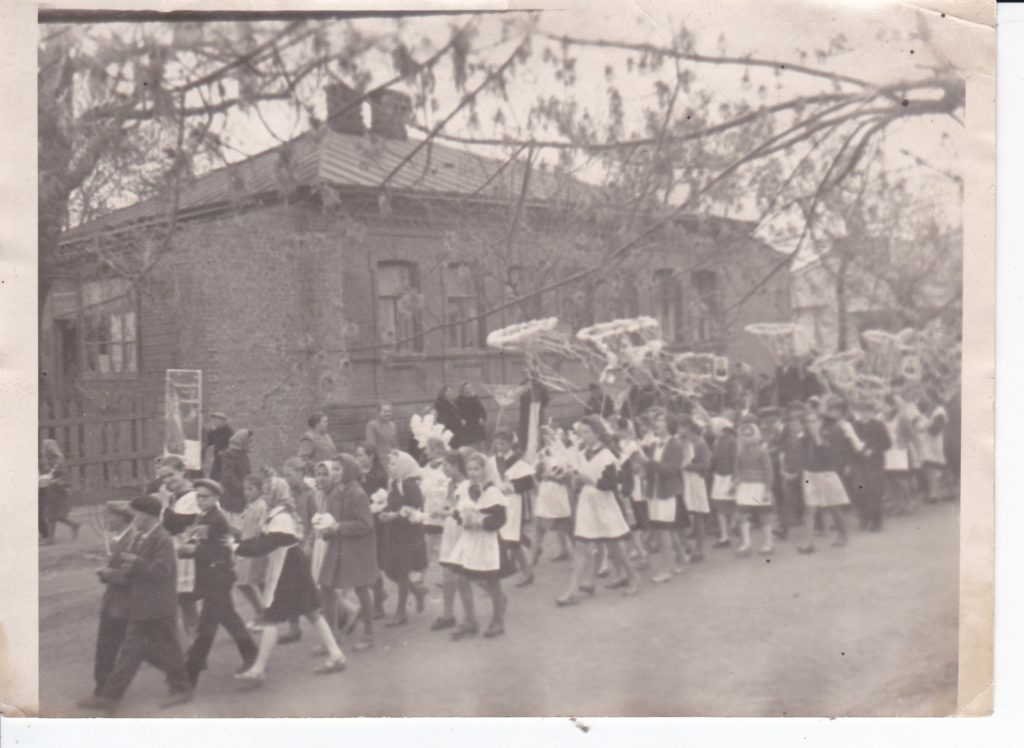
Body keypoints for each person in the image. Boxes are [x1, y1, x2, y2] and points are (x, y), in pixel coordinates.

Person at [77, 495, 193, 712]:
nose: (133, 518)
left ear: (146, 516)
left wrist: (136, 562)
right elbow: (136, 572)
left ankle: (182, 688)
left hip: (158, 606)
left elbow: (161, 571)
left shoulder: (162, 539)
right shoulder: (143, 536)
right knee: (134, 650)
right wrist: (114, 574)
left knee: (165, 649)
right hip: (144, 605)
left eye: (136, 514)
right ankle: (110, 697)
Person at [234, 478, 347, 688]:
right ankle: (336, 654)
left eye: (268, 492)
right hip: (290, 566)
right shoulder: (276, 513)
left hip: (287, 568)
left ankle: (258, 669)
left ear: (276, 494)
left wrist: (235, 547)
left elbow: (264, 546)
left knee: (271, 618)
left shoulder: (282, 517)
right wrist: (238, 542)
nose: (264, 495)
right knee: (311, 612)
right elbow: (260, 542)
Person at [180, 479, 258, 688]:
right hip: (209, 577)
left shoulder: (218, 519)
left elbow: (223, 550)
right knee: (229, 618)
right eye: (198, 496)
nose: (200, 500)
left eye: (205, 497)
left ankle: (190, 675)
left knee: (206, 627)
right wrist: (188, 549)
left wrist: (194, 551)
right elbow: (201, 543)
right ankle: (253, 656)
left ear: (216, 498)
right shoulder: (202, 516)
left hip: (219, 577)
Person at [556, 417, 638, 606]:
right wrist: (574, 477)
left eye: (586, 432)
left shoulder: (607, 454)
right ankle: (573, 590)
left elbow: (610, 484)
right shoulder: (585, 453)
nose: (583, 436)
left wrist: (588, 480)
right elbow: (582, 475)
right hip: (587, 502)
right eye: (581, 432)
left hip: (603, 503)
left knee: (614, 547)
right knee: (581, 546)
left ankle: (633, 577)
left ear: (597, 433)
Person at [314, 457, 379, 652]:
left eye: (338, 469)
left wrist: (338, 527)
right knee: (326, 586)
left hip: (357, 548)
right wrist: (325, 528)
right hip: (337, 546)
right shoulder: (334, 493)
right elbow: (333, 519)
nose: (333, 473)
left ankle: (368, 634)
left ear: (349, 471)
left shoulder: (358, 494)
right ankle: (332, 635)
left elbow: (366, 524)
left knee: (361, 588)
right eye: (332, 469)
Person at [448, 451, 513, 640]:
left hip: (487, 541)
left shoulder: (492, 492)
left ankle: (498, 620)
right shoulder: (467, 488)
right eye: (469, 469)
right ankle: (470, 619)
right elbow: (458, 513)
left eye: (476, 469)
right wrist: (462, 517)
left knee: (491, 580)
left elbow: (500, 520)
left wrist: (480, 520)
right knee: (461, 577)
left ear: (485, 470)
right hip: (469, 539)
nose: (473, 472)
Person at [91, 500, 137, 696]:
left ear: (123, 518)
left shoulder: (131, 541)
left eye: (110, 516)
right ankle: (103, 686)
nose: (106, 520)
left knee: (114, 644)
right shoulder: (118, 539)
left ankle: (106, 689)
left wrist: (109, 574)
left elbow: (131, 575)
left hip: (124, 603)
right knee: (109, 645)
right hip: (114, 601)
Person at [378, 450, 429, 626]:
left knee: (401, 570)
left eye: (394, 464)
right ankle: (416, 590)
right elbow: (392, 504)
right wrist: (384, 513)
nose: (390, 467)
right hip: (396, 533)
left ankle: (401, 611)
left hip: (408, 534)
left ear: (404, 466)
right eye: (389, 464)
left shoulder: (409, 485)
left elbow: (416, 509)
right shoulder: (395, 483)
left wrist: (396, 517)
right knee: (390, 569)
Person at [638, 408, 686, 583]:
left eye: (659, 421)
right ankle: (680, 556)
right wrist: (643, 470)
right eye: (655, 421)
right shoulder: (654, 444)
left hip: (667, 492)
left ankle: (667, 569)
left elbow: (670, 470)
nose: (655, 424)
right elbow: (651, 468)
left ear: (669, 425)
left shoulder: (676, 445)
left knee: (663, 530)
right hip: (654, 491)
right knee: (664, 529)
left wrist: (648, 462)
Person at [157, 456, 201, 635]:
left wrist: (164, 503)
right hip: (177, 551)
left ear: (183, 472)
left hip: (189, 554)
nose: (167, 481)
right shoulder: (174, 496)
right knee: (183, 600)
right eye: (164, 477)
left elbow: (171, 525)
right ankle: (193, 639)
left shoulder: (192, 496)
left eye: (171, 475)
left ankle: (194, 640)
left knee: (186, 598)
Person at [797, 408, 850, 553]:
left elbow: (829, 454)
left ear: (820, 422)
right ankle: (809, 543)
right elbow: (803, 456)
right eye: (808, 422)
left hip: (826, 474)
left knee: (834, 506)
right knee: (810, 508)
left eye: (814, 421)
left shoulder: (830, 435)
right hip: (810, 475)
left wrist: (817, 438)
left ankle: (843, 534)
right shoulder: (804, 438)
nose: (811, 424)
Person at [490, 427, 536, 588]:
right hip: (499, 501)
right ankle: (508, 569)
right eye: (497, 443)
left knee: (513, 540)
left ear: (510, 443)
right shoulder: (494, 460)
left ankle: (527, 573)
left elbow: (528, 483)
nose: (499, 446)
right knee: (504, 538)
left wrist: (512, 487)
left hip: (514, 503)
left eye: (503, 443)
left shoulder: (518, 462)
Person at [430, 450, 469, 632]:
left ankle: (497, 596)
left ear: (456, 466)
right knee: (447, 574)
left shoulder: (467, 486)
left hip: (462, 531)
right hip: (450, 530)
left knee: (468, 574)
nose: (443, 469)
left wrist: (446, 511)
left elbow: (461, 511)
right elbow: (450, 504)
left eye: (446, 465)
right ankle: (448, 614)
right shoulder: (451, 485)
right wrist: (442, 509)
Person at [355, 442, 390, 620]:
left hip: (376, 522)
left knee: (374, 563)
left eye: (361, 455)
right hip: (363, 521)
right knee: (368, 563)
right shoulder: (359, 475)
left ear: (371, 456)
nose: (358, 458)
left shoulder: (378, 475)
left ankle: (378, 604)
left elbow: (378, 499)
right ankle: (379, 595)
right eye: (357, 455)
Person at [531, 426, 574, 568]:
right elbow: (535, 473)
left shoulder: (563, 452)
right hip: (545, 492)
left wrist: (554, 476)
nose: (546, 438)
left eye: (548, 434)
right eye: (543, 435)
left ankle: (579, 555)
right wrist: (539, 475)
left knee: (567, 525)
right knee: (539, 523)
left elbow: (569, 471)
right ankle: (533, 557)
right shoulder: (541, 454)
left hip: (559, 491)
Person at [847, 399, 892, 532]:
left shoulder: (878, 425)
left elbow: (887, 443)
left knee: (874, 492)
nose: (863, 414)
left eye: (866, 411)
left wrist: (873, 450)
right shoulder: (854, 426)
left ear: (871, 412)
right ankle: (864, 518)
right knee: (859, 490)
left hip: (874, 463)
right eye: (861, 411)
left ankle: (876, 521)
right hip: (858, 463)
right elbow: (849, 444)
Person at [733, 415, 775, 556]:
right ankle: (746, 543)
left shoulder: (763, 451)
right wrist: (737, 480)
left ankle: (768, 543)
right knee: (742, 514)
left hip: (759, 486)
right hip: (745, 486)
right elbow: (737, 467)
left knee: (763, 514)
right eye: (744, 436)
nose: (747, 440)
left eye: (749, 436)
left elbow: (768, 470)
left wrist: (767, 490)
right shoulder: (740, 452)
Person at [234, 475, 268, 627]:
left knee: (257, 581)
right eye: (245, 489)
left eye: (251, 489)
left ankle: (265, 614)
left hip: (256, 548)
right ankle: (261, 612)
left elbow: (261, 528)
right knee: (243, 582)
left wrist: (253, 539)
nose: (246, 492)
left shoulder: (262, 506)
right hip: (245, 547)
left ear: (260, 490)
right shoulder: (249, 505)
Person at [680, 418, 711, 562]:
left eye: (683, 427)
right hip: (686, 480)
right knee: (686, 513)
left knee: (698, 515)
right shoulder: (685, 443)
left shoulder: (700, 443)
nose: (681, 431)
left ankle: (699, 549)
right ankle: (686, 546)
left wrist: (688, 467)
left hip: (697, 480)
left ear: (689, 428)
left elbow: (706, 465)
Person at [39, 438, 80, 544]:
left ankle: (50, 538)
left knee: (51, 514)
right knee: (56, 514)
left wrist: (51, 479)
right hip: (53, 488)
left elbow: (62, 476)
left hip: (59, 489)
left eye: (45, 447)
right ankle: (74, 524)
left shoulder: (57, 461)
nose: (43, 449)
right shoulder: (50, 460)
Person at [776, 407, 807, 540]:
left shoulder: (806, 439)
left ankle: (819, 525)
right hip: (789, 471)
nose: (793, 425)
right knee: (787, 500)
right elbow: (782, 455)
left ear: (802, 424)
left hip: (804, 473)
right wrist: (784, 471)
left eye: (796, 422)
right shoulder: (787, 440)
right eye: (792, 422)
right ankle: (783, 529)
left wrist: (798, 472)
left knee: (809, 499)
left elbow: (807, 458)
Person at [918, 394, 952, 503]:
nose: (926, 400)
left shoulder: (939, 411)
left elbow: (936, 429)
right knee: (930, 467)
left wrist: (925, 427)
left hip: (939, 442)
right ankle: (934, 493)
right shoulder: (927, 411)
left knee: (941, 466)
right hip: (929, 444)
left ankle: (948, 491)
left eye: (928, 398)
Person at [710, 420, 738, 548]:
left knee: (731, 504)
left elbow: (735, 460)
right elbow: (715, 459)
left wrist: (735, 477)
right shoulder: (717, 441)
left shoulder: (732, 441)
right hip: (719, 476)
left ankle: (735, 527)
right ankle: (724, 536)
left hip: (729, 476)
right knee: (719, 505)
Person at [218, 429, 254, 527]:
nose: (251, 443)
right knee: (233, 523)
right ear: (242, 440)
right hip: (232, 495)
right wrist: (241, 488)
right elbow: (228, 475)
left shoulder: (243, 454)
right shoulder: (230, 454)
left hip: (241, 494)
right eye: (249, 441)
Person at [517, 374, 549, 458]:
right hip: (525, 415)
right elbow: (520, 398)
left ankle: (538, 454)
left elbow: (546, 400)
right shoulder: (523, 384)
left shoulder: (541, 385)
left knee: (537, 435)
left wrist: (538, 406)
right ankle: (525, 453)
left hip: (537, 413)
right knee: (525, 435)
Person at [455, 381, 487, 449]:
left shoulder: (475, 398)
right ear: (462, 390)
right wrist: (461, 419)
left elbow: (482, 410)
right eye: (466, 388)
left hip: (477, 425)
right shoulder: (458, 400)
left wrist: (482, 417)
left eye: (469, 388)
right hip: (467, 426)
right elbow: (456, 413)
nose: (468, 390)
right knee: (469, 445)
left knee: (480, 444)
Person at [203, 413, 234, 482]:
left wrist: (223, 451)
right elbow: (210, 442)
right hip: (217, 459)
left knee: (223, 479)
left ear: (222, 421)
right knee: (214, 478)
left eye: (216, 420)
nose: (214, 422)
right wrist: (210, 431)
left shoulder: (229, 431)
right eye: (214, 420)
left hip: (226, 459)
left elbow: (231, 444)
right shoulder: (217, 430)